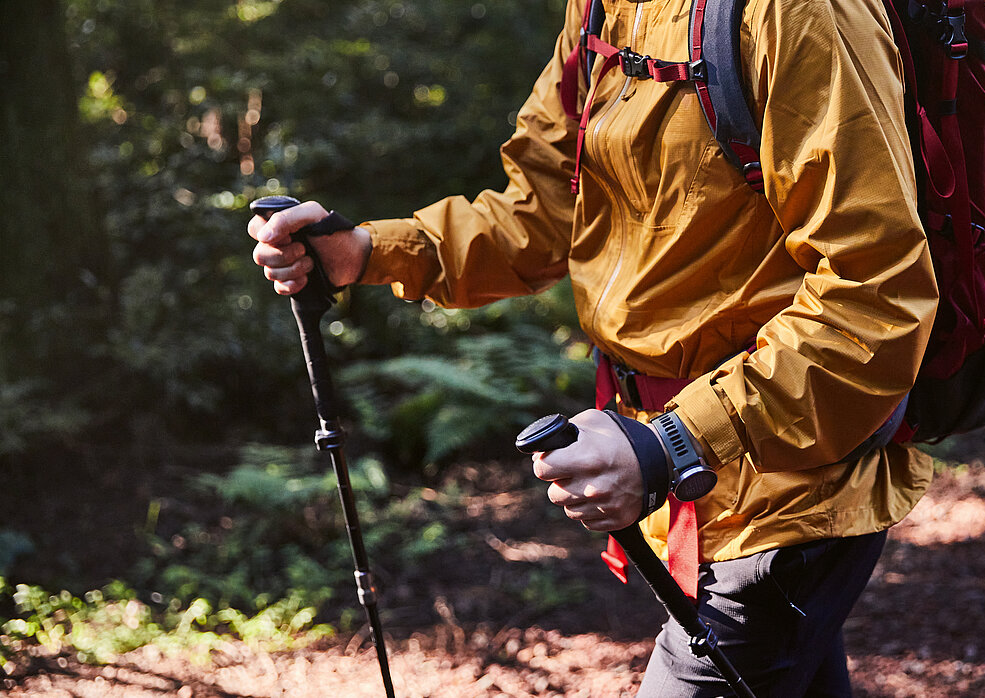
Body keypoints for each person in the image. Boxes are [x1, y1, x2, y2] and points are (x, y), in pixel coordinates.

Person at [249, 0, 938, 694]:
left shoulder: (798, 12)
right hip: (695, 469)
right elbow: (544, 209)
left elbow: (873, 293)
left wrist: (674, 444)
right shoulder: (604, 8)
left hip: (785, 480)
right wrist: (371, 251)